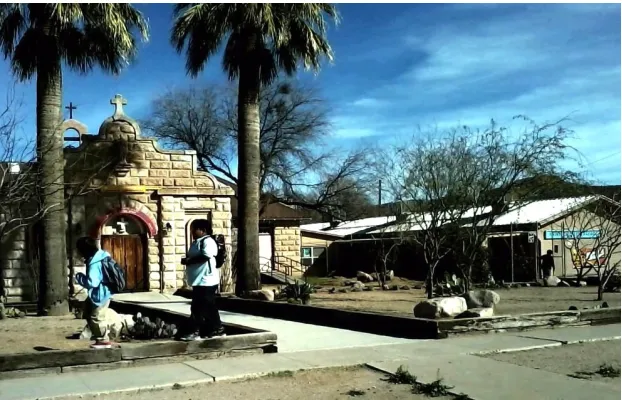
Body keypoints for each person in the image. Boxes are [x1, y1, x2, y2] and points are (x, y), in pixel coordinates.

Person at [179, 220, 225, 341]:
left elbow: (206, 256)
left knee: (198, 307)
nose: (192, 232)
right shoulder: (196, 242)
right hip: (198, 280)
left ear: (203, 230)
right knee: (208, 306)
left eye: (194, 229)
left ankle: (195, 331)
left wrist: (189, 261)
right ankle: (217, 329)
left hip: (206, 280)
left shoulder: (208, 241)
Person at [75, 237, 114, 349]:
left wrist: (79, 277)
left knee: (96, 317)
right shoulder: (102, 255)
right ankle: (100, 337)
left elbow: (93, 282)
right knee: (87, 311)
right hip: (104, 291)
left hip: (100, 294)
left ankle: (103, 341)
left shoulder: (94, 262)